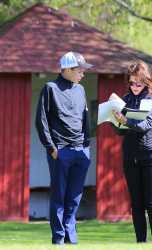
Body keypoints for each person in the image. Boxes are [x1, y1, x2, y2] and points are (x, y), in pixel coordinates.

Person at [35, 51, 92, 244]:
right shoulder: (49, 88)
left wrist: (86, 145)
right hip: (60, 151)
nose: (83, 74)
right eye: (80, 70)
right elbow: (41, 121)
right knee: (59, 197)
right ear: (67, 69)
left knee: (74, 198)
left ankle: (71, 238)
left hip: (81, 151)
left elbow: (85, 119)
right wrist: (51, 148)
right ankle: (58, 239)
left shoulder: (81, 90)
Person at [112, 60, 152, 242]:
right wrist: (115, 120)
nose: (134, 87)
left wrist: (126, 121)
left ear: (147, 81)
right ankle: (141, 243)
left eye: (138, 83)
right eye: (131, 82)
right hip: (131, 156)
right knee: (136, 204)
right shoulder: (126, 99)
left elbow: (147, 124)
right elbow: (120, 131)